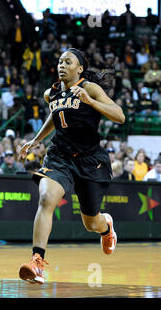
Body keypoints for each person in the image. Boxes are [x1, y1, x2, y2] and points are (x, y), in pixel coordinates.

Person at [18, 48, 125, 284]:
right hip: (60, 156)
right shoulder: (51, 93)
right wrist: (36, 140)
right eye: (60, 61)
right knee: (46, 198)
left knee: (91, 223)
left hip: (90, 160)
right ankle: (37, 262)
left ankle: (106, 227)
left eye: (68, 61)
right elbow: (55, 117)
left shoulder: (89, 88)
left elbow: (119, 115)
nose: (62, 65)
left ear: (80, 68)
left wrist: (89, 101)